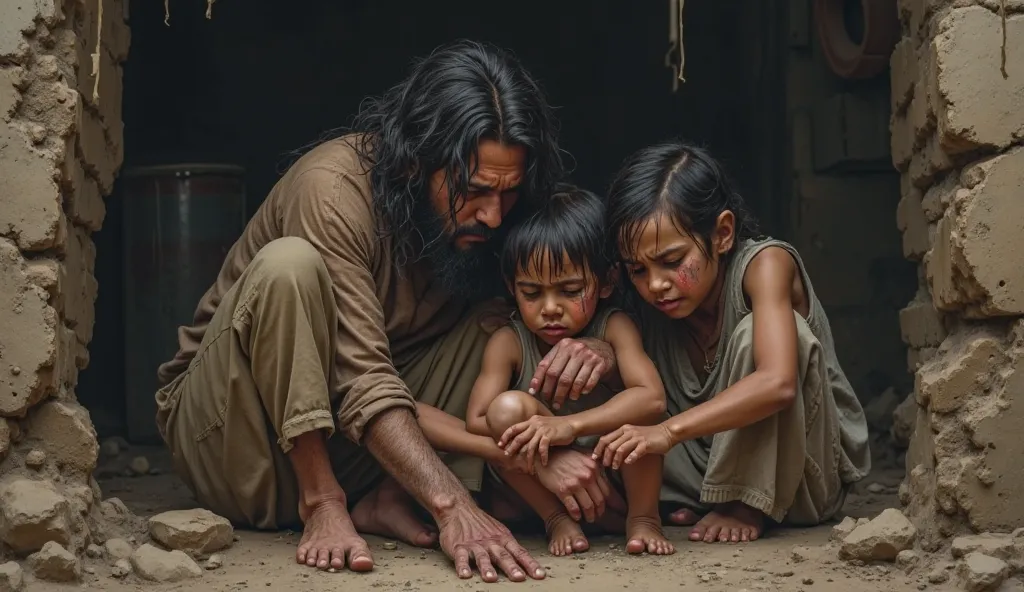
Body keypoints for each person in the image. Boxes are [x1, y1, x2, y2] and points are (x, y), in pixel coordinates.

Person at [153, 40, 617, 583]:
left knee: (504, 323)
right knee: (288, 268)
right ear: (416, 163)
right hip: (237, 440)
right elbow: (362, 379)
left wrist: (598, 347)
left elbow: (563, 301)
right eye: (473, 191)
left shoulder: (493, 214)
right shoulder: (331, 190)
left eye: (508, 193)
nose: (493, 215)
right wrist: (454, 508)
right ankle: (324, 501)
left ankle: (385, 496)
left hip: (358, 439)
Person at [593, 139, 871, 544]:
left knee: (762, 333)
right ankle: (692, 499)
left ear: (723, 233)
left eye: (672, 262)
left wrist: (668, 433)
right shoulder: (646, 307)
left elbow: (777, 382)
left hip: (800, 479)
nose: (655, 284)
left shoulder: (765, 267)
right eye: (637, 269)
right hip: (698, 476)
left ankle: (743, 501)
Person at [420, 186, 673, 557]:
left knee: (640, 426)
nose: (550, 308)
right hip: (539, 478)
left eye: (570, 290)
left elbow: (652, 398)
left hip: (611, 467)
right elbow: (477, 419)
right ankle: (555, 518)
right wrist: (546, 452)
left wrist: (569, 427)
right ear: (511, 287)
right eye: (532, 293)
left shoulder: (614, 326)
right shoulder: (509, 341)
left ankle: (644, 519)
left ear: (606, 282)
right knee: (505, 413)